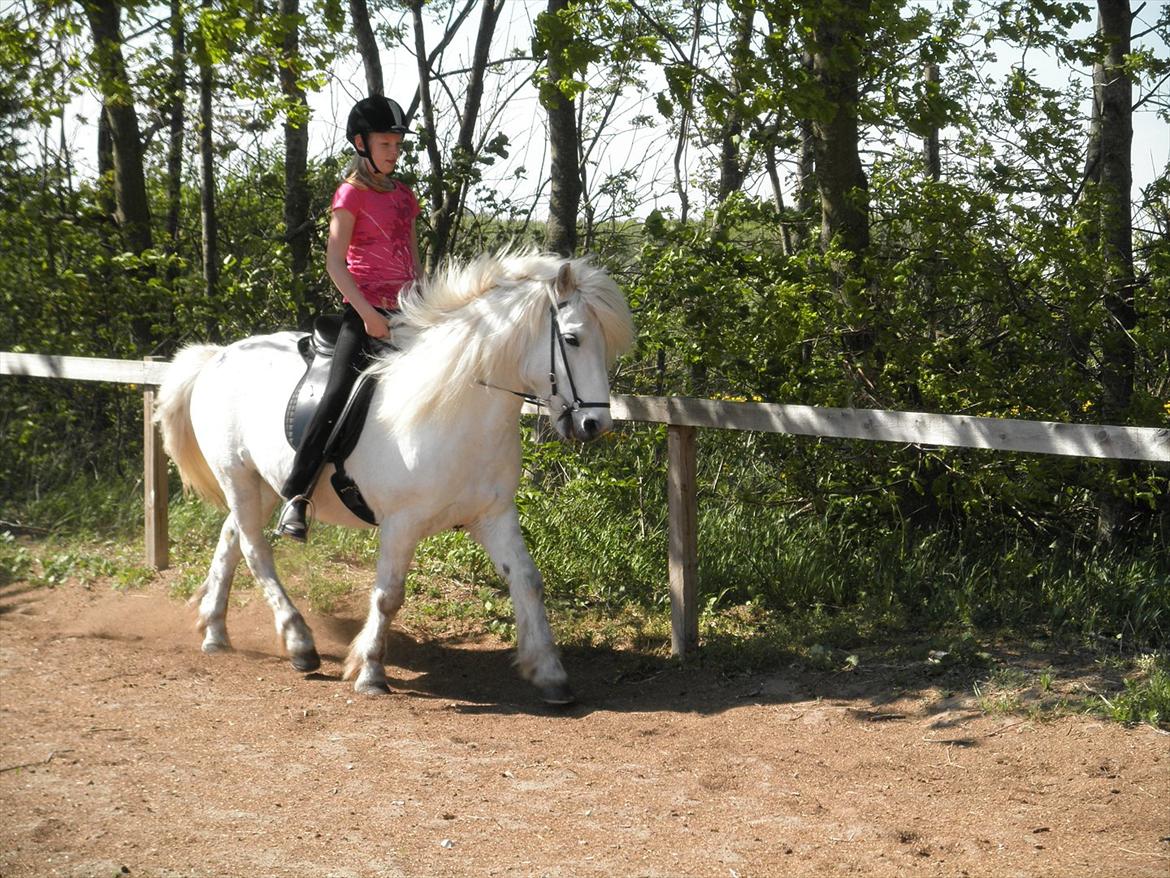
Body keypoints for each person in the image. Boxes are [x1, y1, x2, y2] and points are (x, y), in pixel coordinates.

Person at [276, 95, 422, 541]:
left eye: (397, 144)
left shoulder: (404, 195)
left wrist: (421, 297)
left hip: (407, 310)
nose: (394, 151)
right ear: (361, 143)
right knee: (338, 391)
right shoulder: (350, 194)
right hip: (363, 311)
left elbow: (413, 255)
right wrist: (368, 315)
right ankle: (296, 497)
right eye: (385, 143)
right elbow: (335, 264)